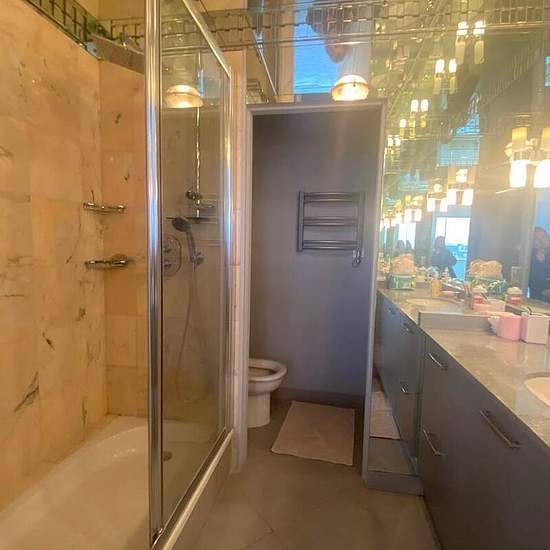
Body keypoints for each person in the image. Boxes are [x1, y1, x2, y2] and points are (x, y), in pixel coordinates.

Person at [529, 227, 550, 302]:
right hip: (536, 299)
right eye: (537, 239)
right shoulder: (528, 257)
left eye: (543, 237)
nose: (542, 241)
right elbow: (528, 281)